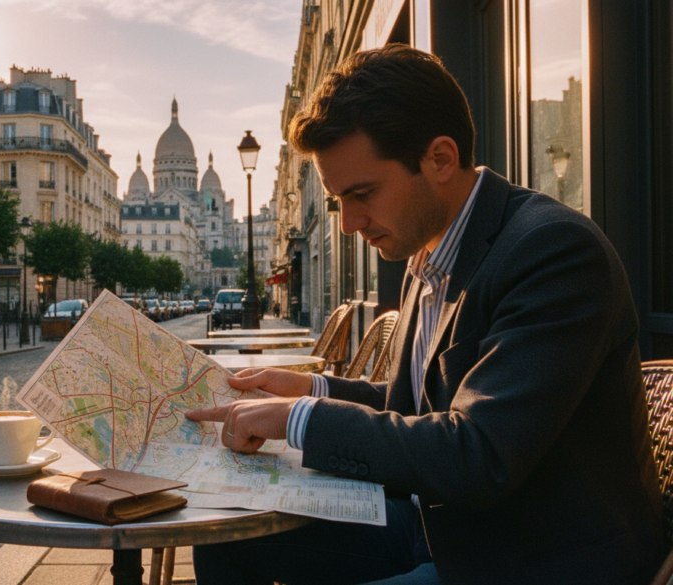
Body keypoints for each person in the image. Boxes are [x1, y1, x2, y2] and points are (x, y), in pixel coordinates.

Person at [187, 45, 663, 585]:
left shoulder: (553, 251)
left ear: (439, 158)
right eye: (339, 199)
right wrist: (308, 393)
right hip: (442, 530)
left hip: (528, 558)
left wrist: (300, 421)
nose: (348, 224)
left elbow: (479, 454)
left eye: (362, 193)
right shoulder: (430, 252)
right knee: (225, 535)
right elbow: (409, 410)